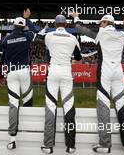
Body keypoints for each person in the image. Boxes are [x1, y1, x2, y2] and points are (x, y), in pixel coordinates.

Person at [70, 12, 124, 154]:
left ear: (106, 23)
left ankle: (105, 144)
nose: (100, 24)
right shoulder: (121, 35)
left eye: (101, 22)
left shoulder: (100, 33)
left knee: (103, 108)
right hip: (118, 74)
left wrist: (76, 16)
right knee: (122, 108)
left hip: (105, 74)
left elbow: (80, 28)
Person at [41, 15, 82, 154]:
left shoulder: (49, 36)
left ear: (55, 24)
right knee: (69, 108)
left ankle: (48, 145)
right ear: (65, 24)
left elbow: (39, 38)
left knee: (51, 107)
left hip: (53, 72)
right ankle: (70, 146)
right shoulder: (72, 38)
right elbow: (78, 57)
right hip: (66, 72)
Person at [0, 8, 36, 150]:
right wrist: (27, 18)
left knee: (14, 104)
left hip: (11, 73)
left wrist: (1, 75)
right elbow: (33, 31)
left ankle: (12, 138)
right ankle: (28, 132)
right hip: (24, 72)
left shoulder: (5, 39)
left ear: (14, 26)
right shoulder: (27, 36)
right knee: (27, 100)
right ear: (23, 26)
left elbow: (1, 59)